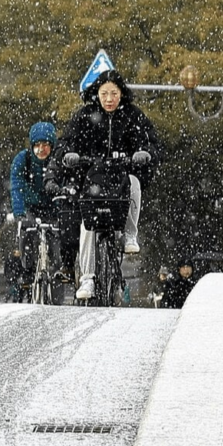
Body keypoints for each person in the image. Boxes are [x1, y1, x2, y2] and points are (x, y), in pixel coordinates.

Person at [57, 69, 160, 300]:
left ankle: (130, 235)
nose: (109, 99)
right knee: (87, 223)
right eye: (105, 93)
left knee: (134, 182)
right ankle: (87, 279)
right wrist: (69, 155)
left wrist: (145, 154)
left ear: (122, 93)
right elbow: (66, 141)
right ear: (98, 93)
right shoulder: (85, 116)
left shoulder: (133, 116)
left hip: (121, 180)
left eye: (114, 93)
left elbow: (151, 142)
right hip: (92, 179)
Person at [10, 121, 65, 286]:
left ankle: (59, 269)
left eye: (46, 145)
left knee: (59, 242)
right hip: (31, 208)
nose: (41, 149)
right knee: (26, 234)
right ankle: (28, 271)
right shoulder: (23, 160)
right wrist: (19, 214)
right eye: (37, 145)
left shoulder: (59, 160)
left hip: (54, 208)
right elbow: (16, 187)